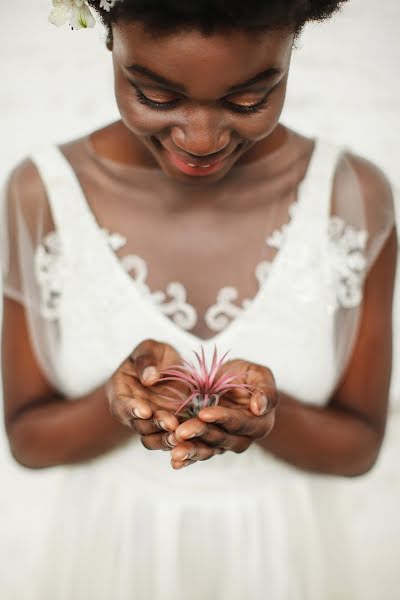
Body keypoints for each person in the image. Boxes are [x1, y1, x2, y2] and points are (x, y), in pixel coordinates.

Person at [1, 1, 396, 598]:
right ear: (112, 46)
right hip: (108, 561)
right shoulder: (40, 194)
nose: (201, 139)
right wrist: (119, 404)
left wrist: (267, 413)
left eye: (248, 100)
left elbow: (358, 448)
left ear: (291, 51)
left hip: (286, 565)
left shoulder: (355, 194)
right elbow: (30, 441)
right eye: (157, 98)